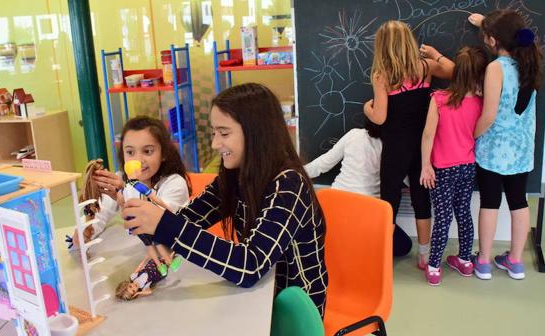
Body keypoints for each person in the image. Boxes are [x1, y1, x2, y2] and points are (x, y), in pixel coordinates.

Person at [121, 83, 328, 315]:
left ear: (256, 133)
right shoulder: (234, 176)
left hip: (294, 313)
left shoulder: (288, 185)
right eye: (213, 132)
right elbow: (190, 219)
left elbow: (250, 266)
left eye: (224, 133)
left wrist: (166, 224)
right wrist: (151, 222)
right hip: (258, 299)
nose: (214, 144)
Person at [364, 20, 455, 270]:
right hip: (422, 144)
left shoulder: (382, 75)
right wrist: (436, 54)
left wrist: (367, 109)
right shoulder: (424, 67)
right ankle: (425, 256)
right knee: (421, 197)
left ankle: (383, 256)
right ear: (408, 42)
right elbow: (454, 72)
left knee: (389, 200)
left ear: (382, 46)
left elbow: (380, 118)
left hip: (395, 146)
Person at [467, 10, 542, 280]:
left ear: (491, 40)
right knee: (518, 202)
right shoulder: (530, 62)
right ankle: (516, 261)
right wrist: (484, 22)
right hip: (521, 149)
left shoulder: (495, 68)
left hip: (494, 150)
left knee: (490, 201)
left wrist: (471, 135)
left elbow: (488, 115)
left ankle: (484, 262)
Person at [420, 46, 488, 286]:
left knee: (443, 217)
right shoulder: (481, 103)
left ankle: (434, 266)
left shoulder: (439, 99)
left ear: (455, 72)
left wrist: (425, 165)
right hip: (467, 167)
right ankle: (465, 262)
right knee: (463, 214)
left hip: (442, 169)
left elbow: (428, 135)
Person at [70, 116, 190, 247]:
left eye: (148, 151)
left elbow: (157, 221)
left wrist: (123, 192)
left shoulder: (175, 183)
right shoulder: (122, 178)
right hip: (142, 252)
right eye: (130, 152)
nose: (138, 160)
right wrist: (86, 230)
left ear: (164, 154)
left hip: (172, 252)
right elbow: (102, 213)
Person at [304, 118, 412, 257]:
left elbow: (322, 164)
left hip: (336, 204)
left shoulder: (354, 135)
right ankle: (359, 245)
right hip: (368, 211)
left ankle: (345, 244)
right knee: (404, 246)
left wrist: (294, 172)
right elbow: (405, 179)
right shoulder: (392, 145)